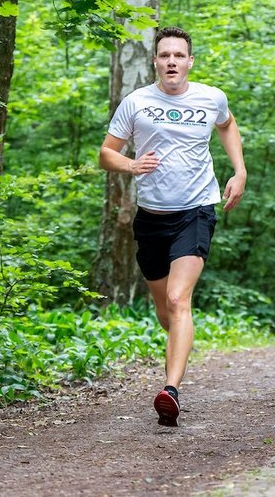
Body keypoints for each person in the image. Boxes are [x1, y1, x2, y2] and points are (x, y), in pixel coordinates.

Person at [99, 26, 246, 427]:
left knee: (180, 300)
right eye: (165, 56)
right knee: (167, 311)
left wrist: (240, 170)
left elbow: (227, 125)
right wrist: (131, 165)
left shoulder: (211, 98)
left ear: (190, 61)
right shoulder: (137, 103)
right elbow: (105, 154)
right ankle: (179, 337)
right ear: (155, 61)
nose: (171, 62)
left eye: (179, 56)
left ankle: (170, 391)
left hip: (196, 210)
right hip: (151, 217)